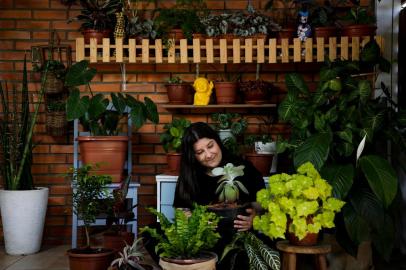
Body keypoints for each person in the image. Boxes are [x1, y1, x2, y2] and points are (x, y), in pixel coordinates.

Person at [173, 122, 265, 269]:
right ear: (193, 156)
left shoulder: (242, 168)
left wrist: (254, 218)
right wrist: (197, 222)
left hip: (237, 238)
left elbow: (261, 206)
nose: (208, 155)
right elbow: (181, 211)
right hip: (203, 242)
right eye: (200, 152)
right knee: (152, 234)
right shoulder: (190, 176)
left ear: (217, 141)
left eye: (210, 146)